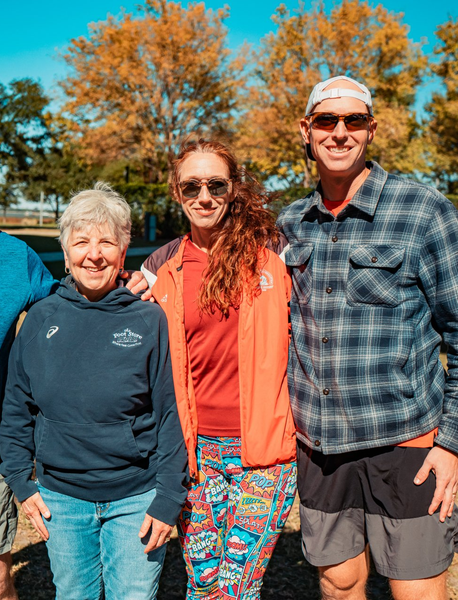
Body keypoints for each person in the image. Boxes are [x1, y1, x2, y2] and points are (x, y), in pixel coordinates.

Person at [277, 74, 458, 600]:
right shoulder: (291, 225)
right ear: (306, 131)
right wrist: (149, 277)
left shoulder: (424, 212)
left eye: (354, 120)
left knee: (416, 588)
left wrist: (451, 444)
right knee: (338, 582)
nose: (340, 132)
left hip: (406, 441)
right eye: (326, 121)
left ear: (371, 130)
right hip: (321, 446)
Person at [0, 183, 188, 600]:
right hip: (60, 500)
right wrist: (20, 481)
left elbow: (171, 412)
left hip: (136, 497)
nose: (94, 253)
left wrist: (168, 497)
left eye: (107, 242)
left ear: (123, 252)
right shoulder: (41, 318)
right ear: (66, 251)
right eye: (81, 241)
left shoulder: (149, 319)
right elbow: (17, 407)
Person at [141, 139, 297, 600]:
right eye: (192, 185)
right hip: (193, 454)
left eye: (215, 184)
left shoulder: (276, 255)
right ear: (177, 192)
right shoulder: (160, 270)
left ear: (232, 189)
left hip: (264, 452)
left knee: (235, 587)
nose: (204, 196)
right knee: (202, 581)